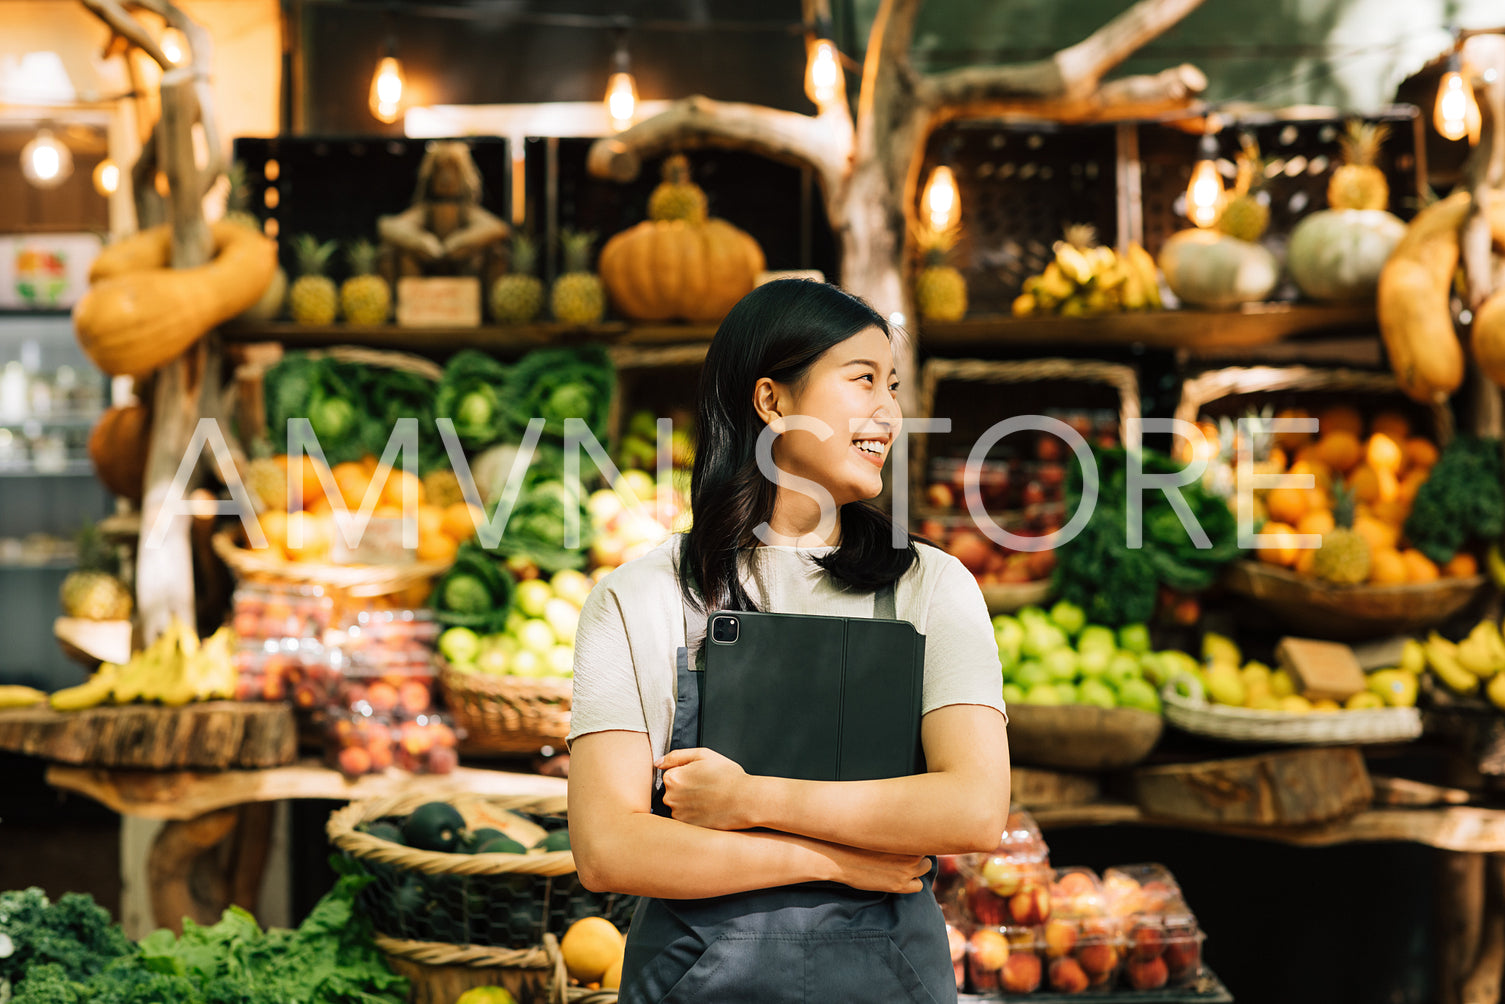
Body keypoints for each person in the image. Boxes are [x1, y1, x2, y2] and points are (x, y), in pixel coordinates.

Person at [567, 278, 1011, 1003]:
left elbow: (972, 808)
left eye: (893, 386)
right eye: (862, 379)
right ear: (771, 401)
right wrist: (838, 862)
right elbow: (607, 849)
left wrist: (750, 799)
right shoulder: (640, 599)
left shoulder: (930, 587)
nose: (888, 413)